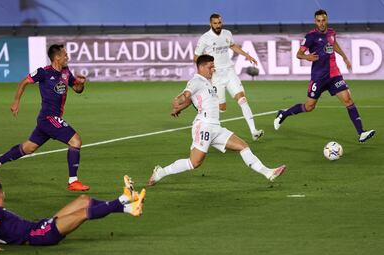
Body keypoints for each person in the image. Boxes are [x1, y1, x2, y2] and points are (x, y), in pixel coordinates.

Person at [148, 55, 285, 186]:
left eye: (213, 66)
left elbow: (192, 99)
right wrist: (178, 101)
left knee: (243, 146)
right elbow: (187, 95)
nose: (213, 69)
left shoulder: (207, 82)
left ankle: (268, 172)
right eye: (210, 67)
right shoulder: (196, 81)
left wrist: (181, 108)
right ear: (201, 67)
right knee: (194, 163)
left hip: (216, 127)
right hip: (204, 126)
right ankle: (161, 172)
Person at [0, 44, 91, 191]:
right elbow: (24, 82)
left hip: (47, 120)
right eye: (65, 55)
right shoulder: (44, 72)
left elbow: (77, 89)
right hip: (49, 118)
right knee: (76, 141)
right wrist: (16, 101)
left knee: (28, 148)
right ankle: (73, 181)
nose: (68, 57)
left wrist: (81, 84)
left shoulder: (66, 72)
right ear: (57, 57)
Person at [274, 9, 375, 143]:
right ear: (315, 21)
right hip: (319, 78)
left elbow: (333, 44)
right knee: (309, 107)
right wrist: (307, 56)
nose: (321, 23)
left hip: (334, 75)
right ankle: (284, 114)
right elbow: (298, 54)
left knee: (348, 100)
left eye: (323, 20)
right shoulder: (310, 37)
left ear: (327, 20)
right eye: (318, 21)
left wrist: (344, 57)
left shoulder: (332, 32)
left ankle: (361, 133)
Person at [0, 176, 146, 251]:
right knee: (83, 213)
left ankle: (130, 208)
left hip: (41, 226)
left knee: (84, 200)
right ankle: (124, 198)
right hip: (40, 235)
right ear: (1, 195)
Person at [194, 13, 264, 141]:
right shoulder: (205, 38)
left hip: (230, 72)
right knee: (222, 108)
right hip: (216, 76)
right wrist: (205, 73)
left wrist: (247, 55)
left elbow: (232, 45)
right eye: (215, 23)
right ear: (210, 24)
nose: (217, 25)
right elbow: (196, 57)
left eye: (219, 23)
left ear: (222, 22)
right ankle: (207, 125)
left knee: (242, 99)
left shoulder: (227, 33)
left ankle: (254, 131)